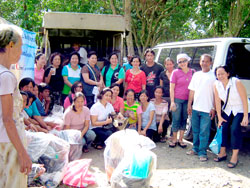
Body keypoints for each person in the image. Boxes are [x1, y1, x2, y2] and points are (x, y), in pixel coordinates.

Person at [0, 24, 32, 188]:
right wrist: (22, 153)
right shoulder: (6, 76)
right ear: (10, 46)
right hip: (10, 142)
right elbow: (7, 119)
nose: (21, 53)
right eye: (20, 47)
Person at [213, 65, 249, 168]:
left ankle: (234, 156)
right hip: (228, 108)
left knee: (234, 129)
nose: (220, 76)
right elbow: (217, 101)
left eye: (222, 74)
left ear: (228, 73)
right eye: (218, 74)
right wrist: (219, 116)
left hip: (241, 108)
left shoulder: (236, 82)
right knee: (223, 127)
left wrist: (245, 116)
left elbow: (244, 99)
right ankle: (223, 152)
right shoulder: (216, 84)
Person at [187, 54, 216, 161]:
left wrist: (214, 108)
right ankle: (195, 148)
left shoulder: (213, 76)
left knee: (204, 132)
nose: (204, 63)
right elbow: (192, 90)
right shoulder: (196, 75)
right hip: (196, 108)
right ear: (200, 62)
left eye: (207, 61)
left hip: (207, 109)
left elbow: (215, 94)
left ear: (211, 63)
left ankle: (202, 152)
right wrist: (190, 104)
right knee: (195, 130)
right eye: (202, 61)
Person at [169, 53, 194, 148]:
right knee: (176, 119)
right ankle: (174, 139)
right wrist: (172, 102)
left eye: (184, 61)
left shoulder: (193, 72)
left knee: (184, 119)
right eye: (180, 62)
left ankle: (181, 139)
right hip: (177, 99)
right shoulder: (175, 73)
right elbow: (172, 88)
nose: (182, 63)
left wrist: (190, 103)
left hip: (188, 100)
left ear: (188, 61)